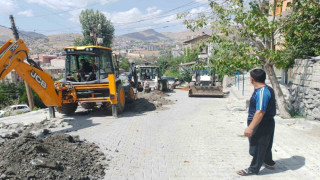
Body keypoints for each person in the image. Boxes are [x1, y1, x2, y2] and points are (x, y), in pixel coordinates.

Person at [237, 69, 276, 176]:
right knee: (265, 145)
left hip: (261, 122)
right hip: (265, 122)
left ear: (252, 79)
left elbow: (260, 112)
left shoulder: (263, 92)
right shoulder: (264, 89)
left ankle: (253, 169)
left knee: (257, 147)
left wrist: (250, 127)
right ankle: (269, 162)